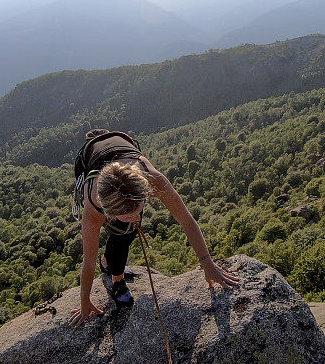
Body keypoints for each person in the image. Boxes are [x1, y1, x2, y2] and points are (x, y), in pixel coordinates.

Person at [69, 130, 240, 327]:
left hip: (122, 144)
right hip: (90, 157)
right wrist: (84, 302)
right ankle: (117, 280)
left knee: (129, 229)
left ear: (145, 192)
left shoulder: (154, 180)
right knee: (124, 230)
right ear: (105, 212)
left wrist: (208, 264)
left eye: (137, 209)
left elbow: (186, 220)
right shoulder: (93, 204)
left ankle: (109, 261)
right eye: (126, 214)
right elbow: (88, 261)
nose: (134, 217)